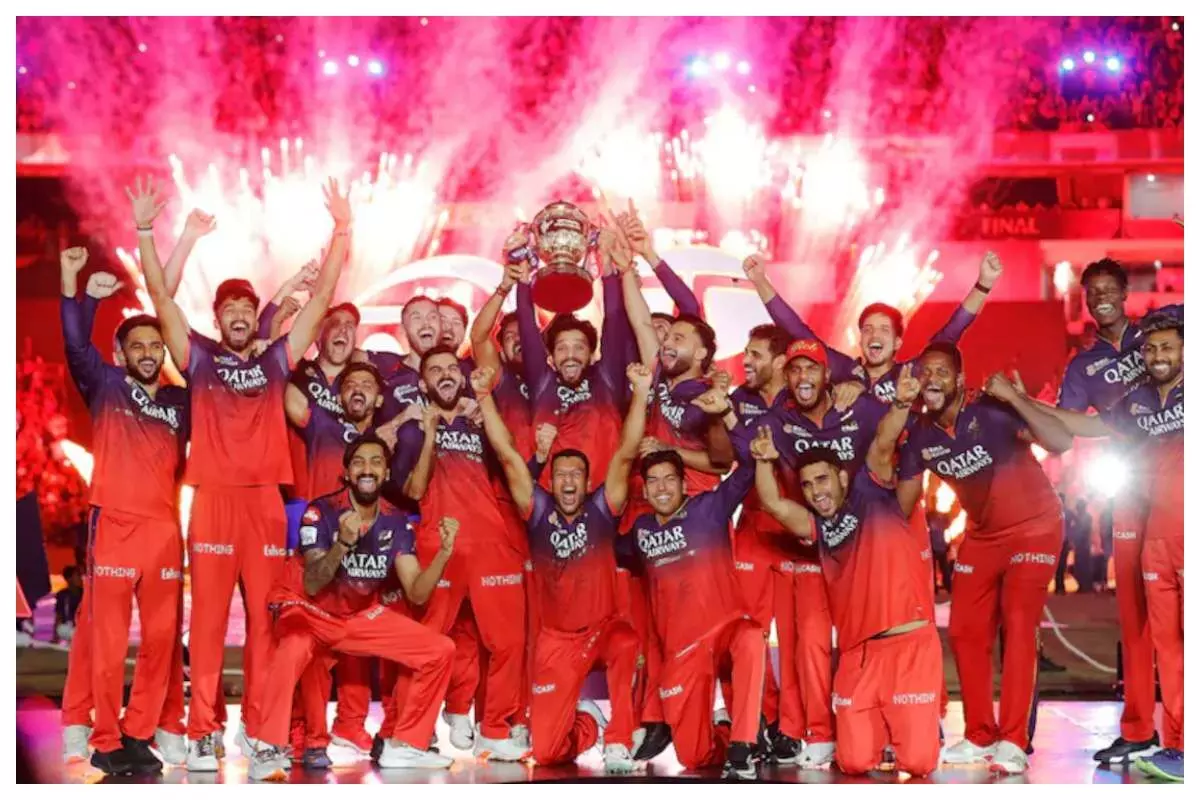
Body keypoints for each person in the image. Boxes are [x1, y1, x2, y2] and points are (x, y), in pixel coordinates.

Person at [132, 174, 351, 770]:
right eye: (228, 308)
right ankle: (204, 730)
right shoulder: (197, 358)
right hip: (213, 502)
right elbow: (160, 297)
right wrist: (150, 231)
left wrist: (342, 230)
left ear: (257, 317)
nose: (237, 315)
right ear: (217, 317)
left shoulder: (279, 359)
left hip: (264, 506)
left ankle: (261, 730)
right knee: (206, 624)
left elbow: (321, 302)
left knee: (266, 624)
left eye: (246, 309)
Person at [750, 364, 943, 777]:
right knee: (853, 762)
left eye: (822, 480)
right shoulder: (818, 526)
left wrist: (901, 404)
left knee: (919, 764)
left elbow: (884, 442)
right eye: (807, 485)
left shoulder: (871, 493)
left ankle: (906, 728)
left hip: (908, 646)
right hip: (858, 656)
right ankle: (885, 729)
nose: (815, 492)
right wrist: (764, 461)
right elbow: (774, 504)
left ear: (841, 476)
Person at [896, 343, 1073, 775]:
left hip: (1036, 525)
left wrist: (1015, 398)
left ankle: (1013, 740)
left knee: (1018, 621)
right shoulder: (919, 434)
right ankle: (979, 734)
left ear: (959, 380)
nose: (932, 379)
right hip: (983, 535)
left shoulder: (991, 411)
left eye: (942, 372)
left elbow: (1061, 441)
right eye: (925, 372)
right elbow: (902, 505)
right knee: (964, 631)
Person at [474, 362, 650, 773]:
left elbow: (626, 452)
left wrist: (641, 392)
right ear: (550, 482)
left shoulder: (602, 509)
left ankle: (619, 740)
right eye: (561, 475)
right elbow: (507, 456)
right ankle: (588, 722)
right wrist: (483, 396)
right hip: (557, 642)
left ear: (588, 483)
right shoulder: (537, 510)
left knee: (627, 642)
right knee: (548, 753)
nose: (569, 481)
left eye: (577, 475)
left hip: (603, 629)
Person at [251, 434, 458, 780]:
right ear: (347, 473)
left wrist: (443, 555)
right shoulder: (320, 512)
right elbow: (313, 583)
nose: (367, 469)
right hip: (307, 608)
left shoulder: (396, 521)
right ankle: (267, 748)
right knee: (294, 647)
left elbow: (417, 593)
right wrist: (342, 545)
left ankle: (405, 744)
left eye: (376, 462)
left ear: (386, 472)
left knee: (440, 650)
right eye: (359, 462)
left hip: (355, 616)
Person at [58, 247, 189, 776]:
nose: (149, 353)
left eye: (156, 345)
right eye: (138, 346)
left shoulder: (181, 402)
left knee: (161, 640)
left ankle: (138, 733)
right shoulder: (104, 384)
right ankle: (105, 738)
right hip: (113, 524)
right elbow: (74, 343)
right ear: (121, 352)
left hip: (163, 533)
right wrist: (75, 284)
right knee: (108, 643)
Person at [1049, 259, 1181, 766]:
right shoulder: (1082, 367)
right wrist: (1021, 407)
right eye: (1093, 291)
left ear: (1126, 293)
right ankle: (1140, 728)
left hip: (1178, 480)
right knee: (1136, 615)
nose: (1101, 297)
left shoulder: (1160, 329)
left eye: (1110, 289)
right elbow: (1064, 431)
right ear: (1085, 300)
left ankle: (1182, 733)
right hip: (1129, 489)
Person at [388, 346, 530, 762]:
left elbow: (508, 459)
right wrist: (430, 432)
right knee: (428, 643)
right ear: (422, 382)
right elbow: (413, 491)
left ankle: (495, 729)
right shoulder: (413, 430)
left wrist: (484, 411)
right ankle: (407, 739)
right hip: (440, 544)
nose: (446, 375)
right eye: (436, 370)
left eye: (452, 368)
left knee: (507, 642)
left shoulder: (479, 421)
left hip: (491, 544)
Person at [629, 392, 764, 781]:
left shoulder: (710, 507)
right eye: (653, 481)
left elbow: (748, 465)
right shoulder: (639, 531)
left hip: (726, 631)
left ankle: (743, 746)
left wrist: (728, 415)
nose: (662, 488)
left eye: (670, 479)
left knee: (751, 637)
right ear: (645, 490)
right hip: (684, 653)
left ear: (684, 484)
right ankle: (724, 732)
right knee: (694, 757)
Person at [742, 251, 1003, 402]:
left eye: (884, 330)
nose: (874, 334)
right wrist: (760, 280)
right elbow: (796, 331)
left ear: (898, 342)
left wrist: (984, 284)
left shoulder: (910, 373)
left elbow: (951, 333)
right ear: (860, 339)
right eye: (867, 329)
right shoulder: (845, 370)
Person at [54, 565, 84, 642]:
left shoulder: (85, 594)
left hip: (82, 627)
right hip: (67, 627)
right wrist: (55, 634)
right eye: (78, 575)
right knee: (62, 629)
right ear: (69, 579)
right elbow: (59, 615)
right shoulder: (62, 594)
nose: (81, 578)